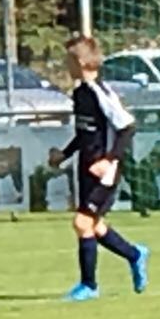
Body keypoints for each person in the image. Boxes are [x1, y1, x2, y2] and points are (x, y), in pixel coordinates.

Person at [47, 35, 150, 302]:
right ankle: (135, 254)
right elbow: (85, 134)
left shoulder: (100, 93)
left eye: (68, 60)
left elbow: (127, 128)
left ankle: (89, 286)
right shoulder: (80, 93)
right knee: (95, 225)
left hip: (105, 172)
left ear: (80, 61)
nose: (65, 66)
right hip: (86, 168)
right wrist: (64, 155)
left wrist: (108, 160)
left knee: (82, 223)